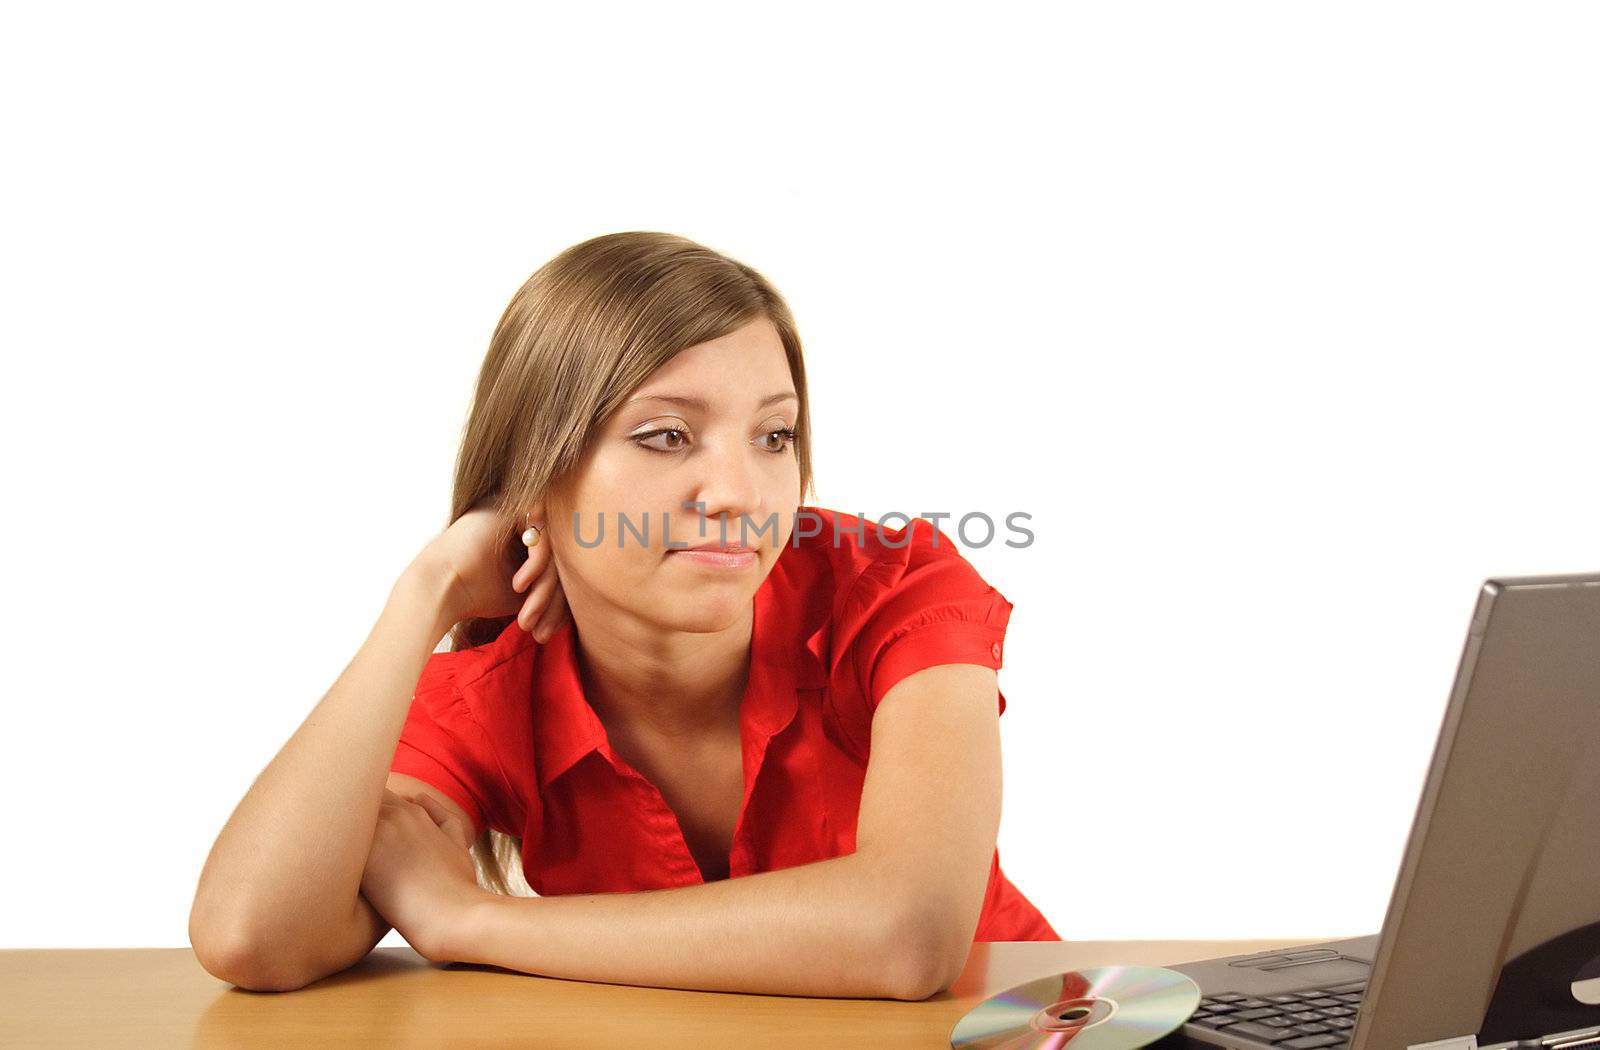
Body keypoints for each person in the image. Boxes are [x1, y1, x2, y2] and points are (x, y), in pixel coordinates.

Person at [189, 231, 1057, 1002]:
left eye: (774, 437)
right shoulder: (495, 699)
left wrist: (469, 922)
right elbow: (252, 938)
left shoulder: (895, 588)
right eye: (668, 436)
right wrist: (425, 592)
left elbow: (908, 936)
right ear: (536, 472)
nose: (742, 496)